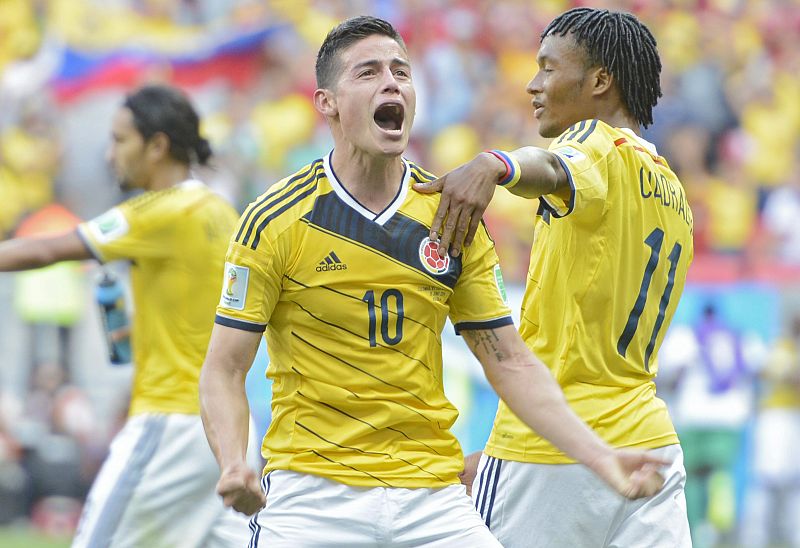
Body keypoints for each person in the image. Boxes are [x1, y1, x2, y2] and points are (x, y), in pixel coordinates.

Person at [199, 15, 668, 548]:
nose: (391, 82)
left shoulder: (451, 216)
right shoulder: (276, 218)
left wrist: (601, 457)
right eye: (368, 72)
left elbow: (508, 362)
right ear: (326, 103)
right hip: (313, 497)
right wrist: (234, 463)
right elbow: (224, 367)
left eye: (401, 70)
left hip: (432, 500)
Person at [414, 7, 694, 547]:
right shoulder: (674, 192)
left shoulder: (597, 142)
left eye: (547, 68)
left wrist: (495, 164)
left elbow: (557, 168)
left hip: (552, 447)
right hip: (649, 446)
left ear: (599, 82)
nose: (532, 83)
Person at [0, 84, 258, 547]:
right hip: (229, 433)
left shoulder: (163, 210)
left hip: (172, 422)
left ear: (157, 145)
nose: (109, 154)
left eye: (120, 140)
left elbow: (46, 248)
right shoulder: (221, 210)